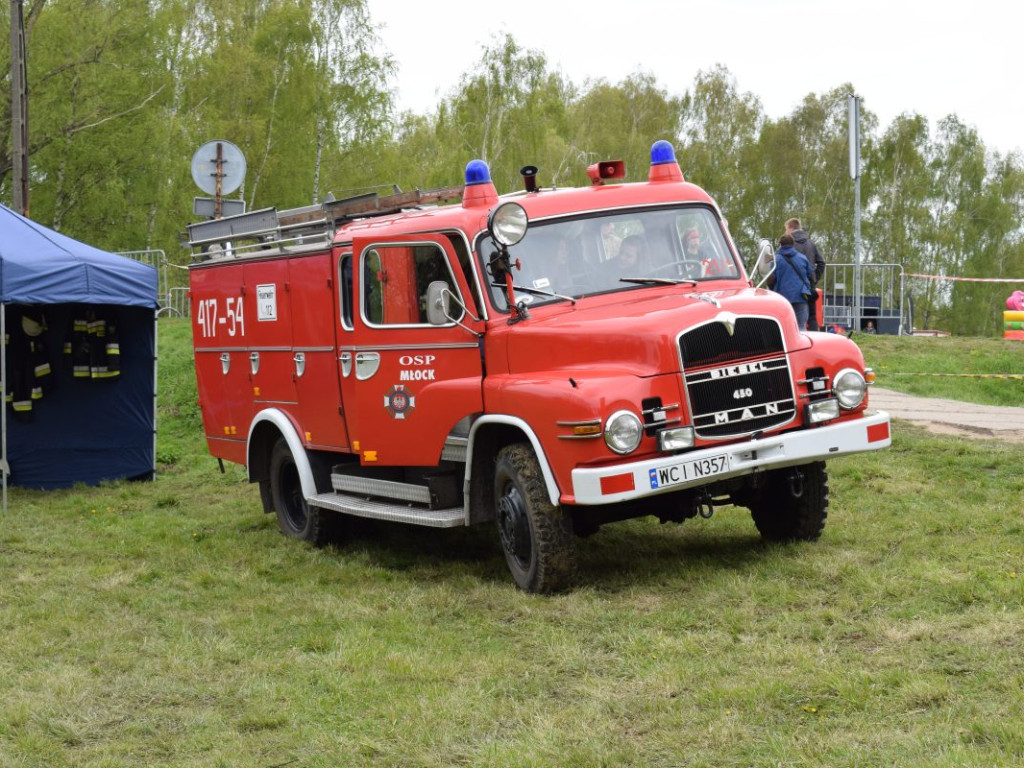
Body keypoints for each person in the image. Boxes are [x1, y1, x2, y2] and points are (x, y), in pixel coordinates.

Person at [785, 218, 825, 330]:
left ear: (790, 228)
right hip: (809, 285)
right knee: (812, 317)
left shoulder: (789, 245)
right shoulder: (811, 243)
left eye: (786, 229)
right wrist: (814, 279)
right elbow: (821, 262)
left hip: (792, 285)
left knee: (792, 317)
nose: (785, 232)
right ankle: (814, 343)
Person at [771, 234, 815, 330]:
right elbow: (812, 276)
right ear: (793, 244)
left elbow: (770, 280)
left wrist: (772, 288)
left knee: (782, 328)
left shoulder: (775, 260)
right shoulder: (802, 258)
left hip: (781, 299)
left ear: (780, 245)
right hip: (800, 296)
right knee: (801, 327)